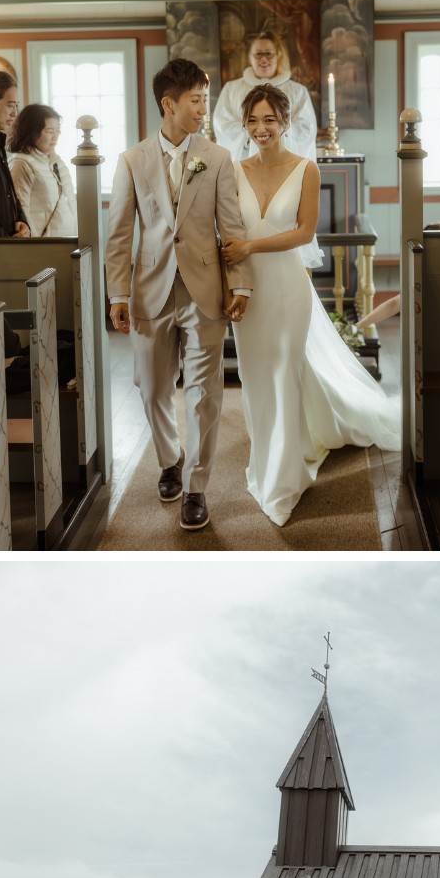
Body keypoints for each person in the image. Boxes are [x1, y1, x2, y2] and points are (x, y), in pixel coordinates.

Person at [221, 83, 400, 527]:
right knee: (255, 378)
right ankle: (265, 462)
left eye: (269, 120)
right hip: (247, 292)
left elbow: (303, 233)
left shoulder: (306, 169)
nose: (261, 129)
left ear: (284, 123)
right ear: (244, 124)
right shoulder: (231, 170)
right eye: (253, 120)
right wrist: (233, 281)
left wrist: (250, 247)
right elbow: (224, 233)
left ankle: (284, 480)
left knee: (285, 375)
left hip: (287, 289)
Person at [105, 58, 252, 533]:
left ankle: (195, 487)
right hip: (149, 290)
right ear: (168, 104)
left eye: (205, 100)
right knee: (151, 388)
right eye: (195, 100)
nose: (203, 109)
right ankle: (169, 458)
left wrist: (241, 284)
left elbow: (231, 227)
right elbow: (119, 234)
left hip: (204, 290)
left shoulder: (218, 157)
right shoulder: (132, 160)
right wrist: (116, 295)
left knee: (205, 393)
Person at [212, 30, 318, 162]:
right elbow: (223, 125)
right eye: (258, 54)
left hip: (284, 162)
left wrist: (273, 137)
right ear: (249, 57)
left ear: (278, 56)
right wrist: (253, 137)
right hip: (243, 159)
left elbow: (306, 129)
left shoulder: (297, 91)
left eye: (268, 54)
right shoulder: (231, 89)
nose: (263, 59)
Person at [8, 104, 77, 238]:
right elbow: (21, 211)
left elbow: (70, 204)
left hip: (67, 244)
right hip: (43, 247)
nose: (55, 137)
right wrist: (34, 246)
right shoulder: (21, 164)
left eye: (58, 131)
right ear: (32, 132)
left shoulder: (56, 162)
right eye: (50, 131)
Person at [0, 71, 29, 238]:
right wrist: (7, 241)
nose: (15, 113)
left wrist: (21, 221)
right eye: (10, 105)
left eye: (16, 105)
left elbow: (9, 195)